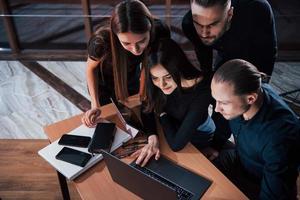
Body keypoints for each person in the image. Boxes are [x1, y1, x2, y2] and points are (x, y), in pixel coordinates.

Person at [132, 38, 231, 167]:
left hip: (200, 134)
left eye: (168, 77)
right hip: (175, 127)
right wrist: (152, 137)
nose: (161, 85)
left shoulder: (201, 89)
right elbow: (147, 108)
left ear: (179, 68)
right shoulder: (157, 82)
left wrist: (162, 115)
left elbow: (176, 145)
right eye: (155, 78)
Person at [81, 0, 170, 142]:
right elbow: (90, 68)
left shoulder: (160, 31)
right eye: (126, 43)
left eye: (142, 41)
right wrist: (95, 104)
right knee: (110, 126)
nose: (136, 50)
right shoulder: (101, 41)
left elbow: (148, 73)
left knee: (136, 117)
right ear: (116, 36)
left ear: (150, 29)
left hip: (130, 74)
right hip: (103, 81)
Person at [210, 59, 300, 199]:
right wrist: (215, 145)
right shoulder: (247, 93)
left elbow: (272, 195)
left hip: (264, 183)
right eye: (216, 100)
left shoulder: (279, 137)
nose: (216, 108)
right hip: (241, 161)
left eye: (224, 103)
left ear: (251, 99)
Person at [182, 0, 277, 77]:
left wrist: (262, 85)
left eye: (213, 24)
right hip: (225, 54)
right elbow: (203, 53)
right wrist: (208, 79)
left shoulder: (257, 9)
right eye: (198, 24)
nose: (204, 33)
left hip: (252, 54)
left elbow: (268, 53)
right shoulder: (189, 24)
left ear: (230, 14)